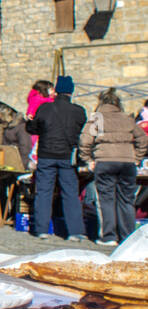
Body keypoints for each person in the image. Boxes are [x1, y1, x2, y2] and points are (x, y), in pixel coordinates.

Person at [78, 88, 148, 246]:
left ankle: (108, 236)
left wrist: (88, 159)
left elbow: (84, 140)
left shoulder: (98, 118)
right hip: (127, 162)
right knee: (126, 200)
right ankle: (127, 237)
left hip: (105, 161)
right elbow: (142, 140)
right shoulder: (127, 118)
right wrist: (136, 158)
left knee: (106, 200)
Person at [26, 75, 87, 240]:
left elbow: (33, 129)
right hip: (68, 156)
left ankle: (41, 229)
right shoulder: (78, 111)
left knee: (44, 192)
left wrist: (30, 122)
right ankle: (75, 231)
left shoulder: (45, 109)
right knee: (70, 193)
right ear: (71, 92)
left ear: (57, 91)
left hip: (46, 154)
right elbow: (82, 128)